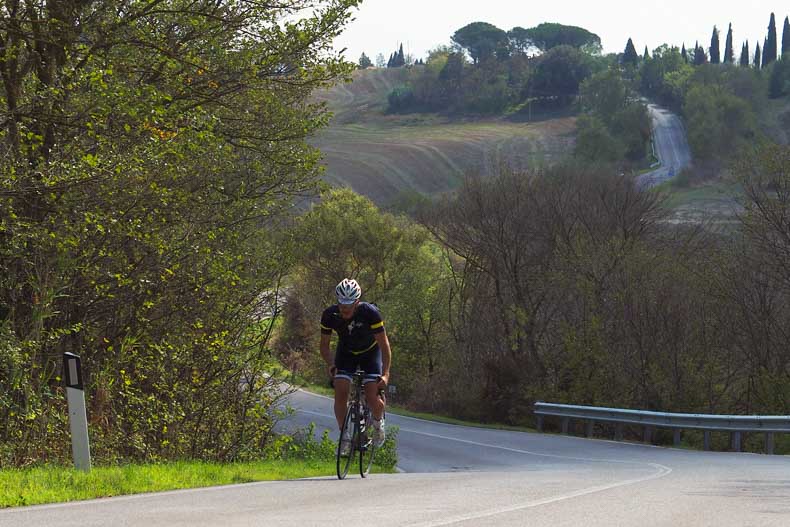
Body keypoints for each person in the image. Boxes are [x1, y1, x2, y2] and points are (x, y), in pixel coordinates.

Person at [320, 278, 391, 454]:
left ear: (357, 302)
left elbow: (384, 345)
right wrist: (331, 364)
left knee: (372, 394)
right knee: (340, 388)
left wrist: (386, 374)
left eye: (349, 305)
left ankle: (377, 422)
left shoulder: (370, 313)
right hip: (346, 352)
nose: (344, 309)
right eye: (341, 305)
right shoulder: (330, 315)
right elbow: (324, 345)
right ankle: (345, 436)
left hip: (370, 353)